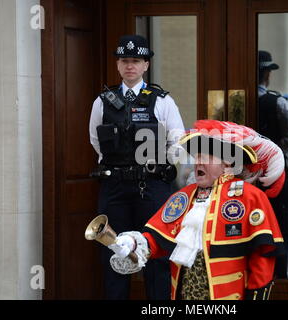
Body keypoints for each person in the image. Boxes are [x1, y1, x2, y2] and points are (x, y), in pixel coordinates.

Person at [104, 120, 286, 300]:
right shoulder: (184, 196)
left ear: (228, 164)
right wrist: (132, 243)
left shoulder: (249, 196)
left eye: (206, 157)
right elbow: (158, 236)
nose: (198, 162)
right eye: (197, 157)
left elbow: (263, 256)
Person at [89, 34, 185, 300]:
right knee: (114, 255)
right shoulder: (102, 102)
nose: (129, 66)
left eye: (136, 60)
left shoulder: (162, 100)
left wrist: (156, 163)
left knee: (157, 255)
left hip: (152, 186)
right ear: (118, 65)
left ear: (146, 65)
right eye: (124, 60)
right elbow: (96, 141)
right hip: (115, 186)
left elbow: (178, 140)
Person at [257, 50, 288, 279]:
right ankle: (279, 281)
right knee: (279, 230)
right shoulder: (278, 102)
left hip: (242, 178)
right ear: (267, 75)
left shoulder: (232, 100)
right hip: (277, 178)